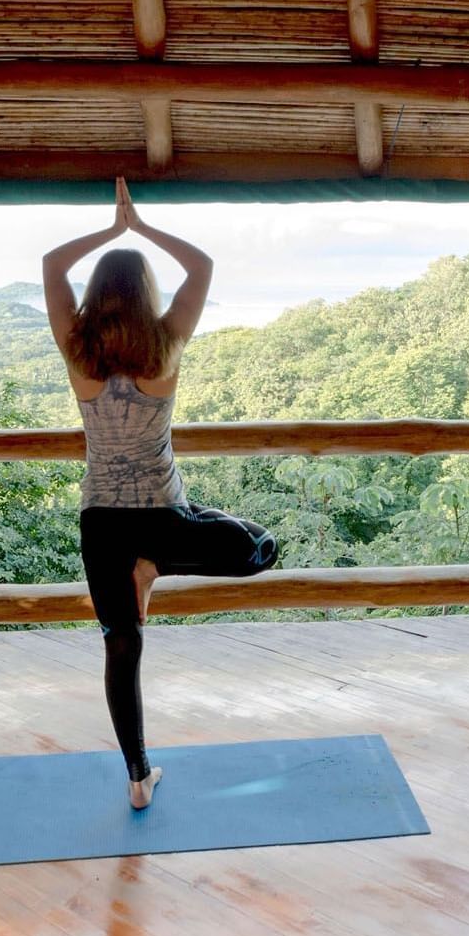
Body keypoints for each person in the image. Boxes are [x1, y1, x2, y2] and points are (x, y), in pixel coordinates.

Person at [43, 179, 279, 808]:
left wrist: (109, 230)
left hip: (101, 522)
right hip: (162, 518)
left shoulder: (78, 350)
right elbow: (201, 266)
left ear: (95, 295)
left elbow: (51, 265)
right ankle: (159, 563)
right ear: (147, 294)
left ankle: (137, 777)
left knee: (122, 643)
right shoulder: (166, 343)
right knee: (261, 547)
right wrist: (139, 228)